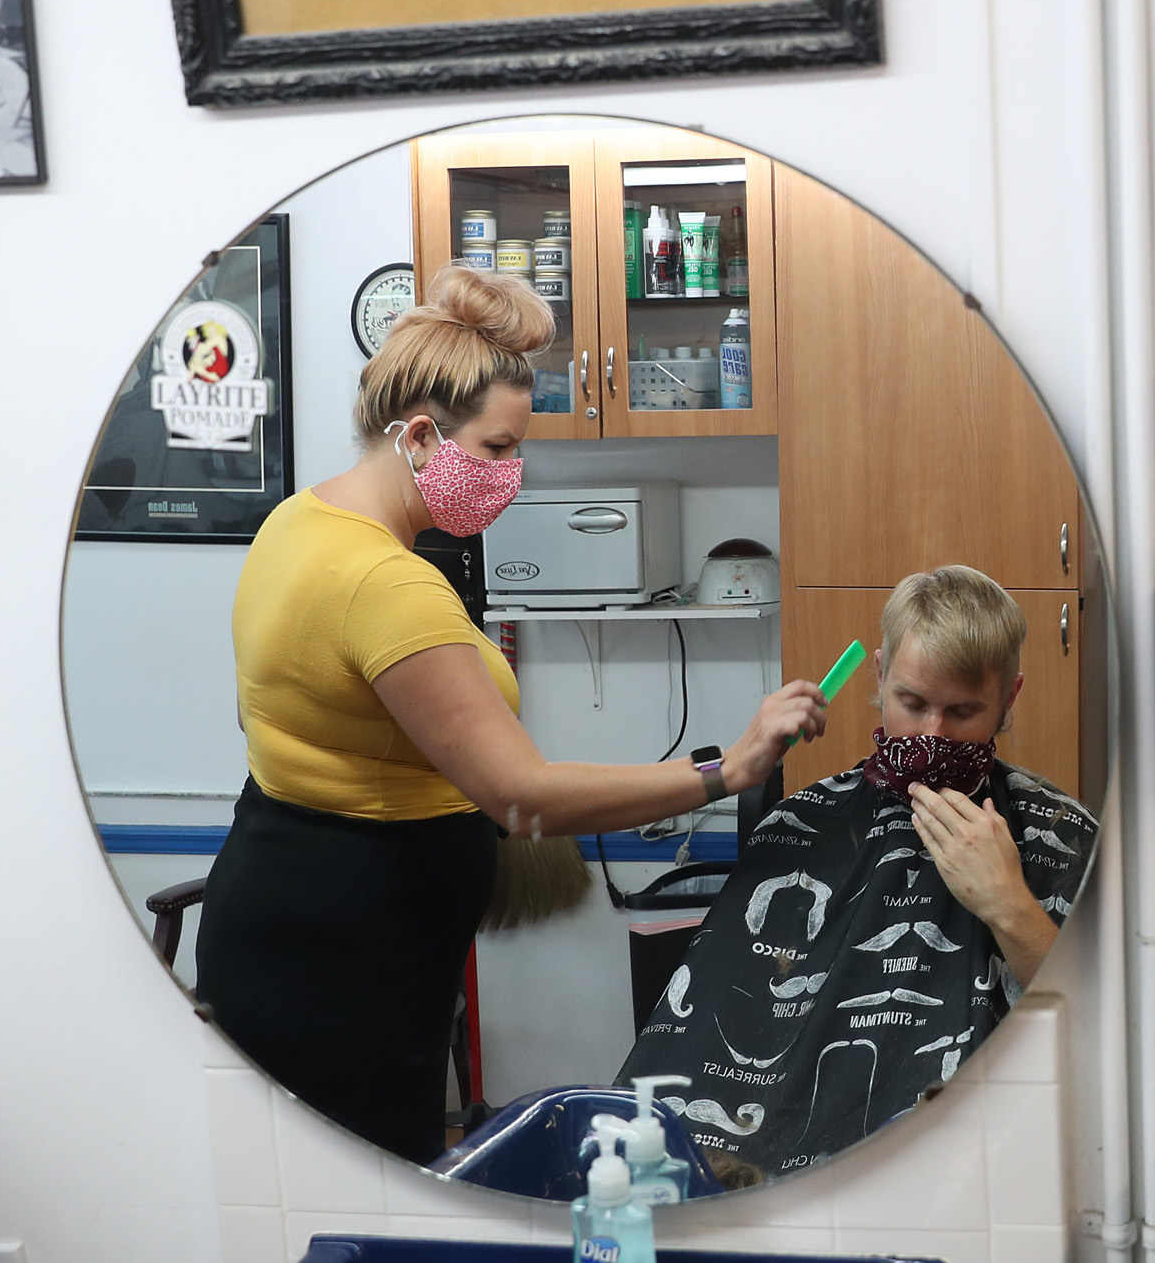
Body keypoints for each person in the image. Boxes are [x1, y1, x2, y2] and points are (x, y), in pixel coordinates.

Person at [195, 265, 831, 1161]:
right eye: (495, 450)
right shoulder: (385, 585)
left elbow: (263, 711)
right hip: (343, 950)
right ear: (419, 435)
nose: (510, 477)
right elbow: (521, 799)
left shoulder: (298, 522)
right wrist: (724, 770)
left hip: (285, 894)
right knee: (370, 1191)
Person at [620, 567, 1098, 1181]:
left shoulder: (1057, 834)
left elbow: (1101, 1029)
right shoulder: (803, 823)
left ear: (1010, 697)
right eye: (914, 703)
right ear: (878, 676)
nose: (932, 734)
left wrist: (1009, 906)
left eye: (963, 711)